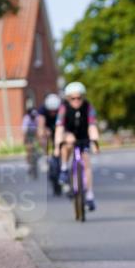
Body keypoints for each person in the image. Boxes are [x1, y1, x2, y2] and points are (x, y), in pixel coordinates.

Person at [54, 82, 100, 211]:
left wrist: (95, 142)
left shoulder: (88, 107)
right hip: (69, 135)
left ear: (83, 97)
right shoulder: (63, 108)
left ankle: (90, 195)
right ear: (68, 98)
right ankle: (64, 168)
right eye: (73, 98)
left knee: (87, 162)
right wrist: (57, 146)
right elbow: (59, 128)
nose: (76, 101)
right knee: (67, 142)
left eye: (79, 98)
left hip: (83, 136)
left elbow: (92, 126)